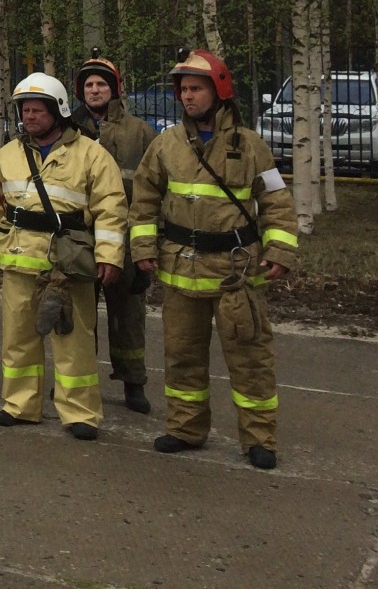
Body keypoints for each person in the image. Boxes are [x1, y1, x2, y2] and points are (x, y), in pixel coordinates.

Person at [130, 49, 298, 470]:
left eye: (196, 89)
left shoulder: (252, 145)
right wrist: (144, 249)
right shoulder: (165, 144)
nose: (187, 97)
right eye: (183, 89)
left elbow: (276, 201)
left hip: (235, 273)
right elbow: (144, 200)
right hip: (181, 270)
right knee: (182, 355)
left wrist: (278, 250)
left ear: (219, 90)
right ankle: (185, 428)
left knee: (251, 358)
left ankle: (260, 438)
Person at [0, 74, 126, 440]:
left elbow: (111, 209)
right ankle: (20, 406)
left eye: (38, 110)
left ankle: (81, 414)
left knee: (74, 341)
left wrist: (110, 256)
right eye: (25, 110)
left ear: (59, 111)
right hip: (19, 260)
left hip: (67, 266)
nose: (30, 116)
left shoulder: (91, 154)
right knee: (18, 338)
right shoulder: (7, 154)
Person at [68, 51, 158, 414]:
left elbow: (154, 190)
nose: (94, 90)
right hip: (80, 240)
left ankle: (133, 383)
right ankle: (80, 380)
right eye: (88, 85)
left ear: (114, 89)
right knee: (79, 315)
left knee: (129, 315)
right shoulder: (69, 129)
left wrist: (147, 244)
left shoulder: (141, 132)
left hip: (125, 237)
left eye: (101, 84)